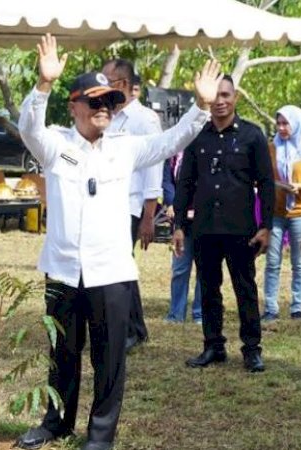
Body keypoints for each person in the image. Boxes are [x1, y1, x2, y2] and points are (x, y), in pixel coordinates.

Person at [14, 34, 220, 450]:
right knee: (63, 354)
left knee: (109, 359)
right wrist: (43, 85)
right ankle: (56, 422)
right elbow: (28, 129)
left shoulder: (124, 150)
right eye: (94, 101)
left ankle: (101, 434)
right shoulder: (56, 146)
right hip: (62, 271)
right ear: (73, 107)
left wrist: (200, 106)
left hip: (110, 272)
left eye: (109, 102)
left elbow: (172, 141)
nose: (103, 109)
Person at [174, 75, 274, 373]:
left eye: (226, 95)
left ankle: (252, 349)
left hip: (240, 228)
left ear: (236, 98)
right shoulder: (197, 136)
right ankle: (213, 345)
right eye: (215, 95)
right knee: (208, 288)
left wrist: (266, 225)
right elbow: (185, 183)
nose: (220, 101)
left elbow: (266, 183)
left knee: (245, 289)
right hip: (204, 227)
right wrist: (179, 223)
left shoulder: (252, 136)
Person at [102, 58, 163, 351]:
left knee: (117, 266)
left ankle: (129, 329)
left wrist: (149, 216)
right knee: (119, 265)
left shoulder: (144, 119)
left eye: (107, 81)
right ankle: (135, 327)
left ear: (123, 85)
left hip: (130, 204)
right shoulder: (106, 115)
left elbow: (154, 168)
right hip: (106, 202)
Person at [261, 106, 301, 323]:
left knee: (299, 261)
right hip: (276, 211)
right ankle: (270, 308)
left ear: (297, 124)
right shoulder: (272, 148)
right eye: (279, 123)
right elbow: (265, 177)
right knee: (272, 261)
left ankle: (297, 307)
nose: (282, 128)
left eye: (286, 123)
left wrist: (300, 188)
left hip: (300, 212)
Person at [163, 150, 202, 324]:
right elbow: (167, 181)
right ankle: (176, 313)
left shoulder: (206, 148)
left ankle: (200, 312)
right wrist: (172, 204)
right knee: (180, 268)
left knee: (204, 269)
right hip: (180, 220)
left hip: (204, 218)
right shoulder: (173, 155)